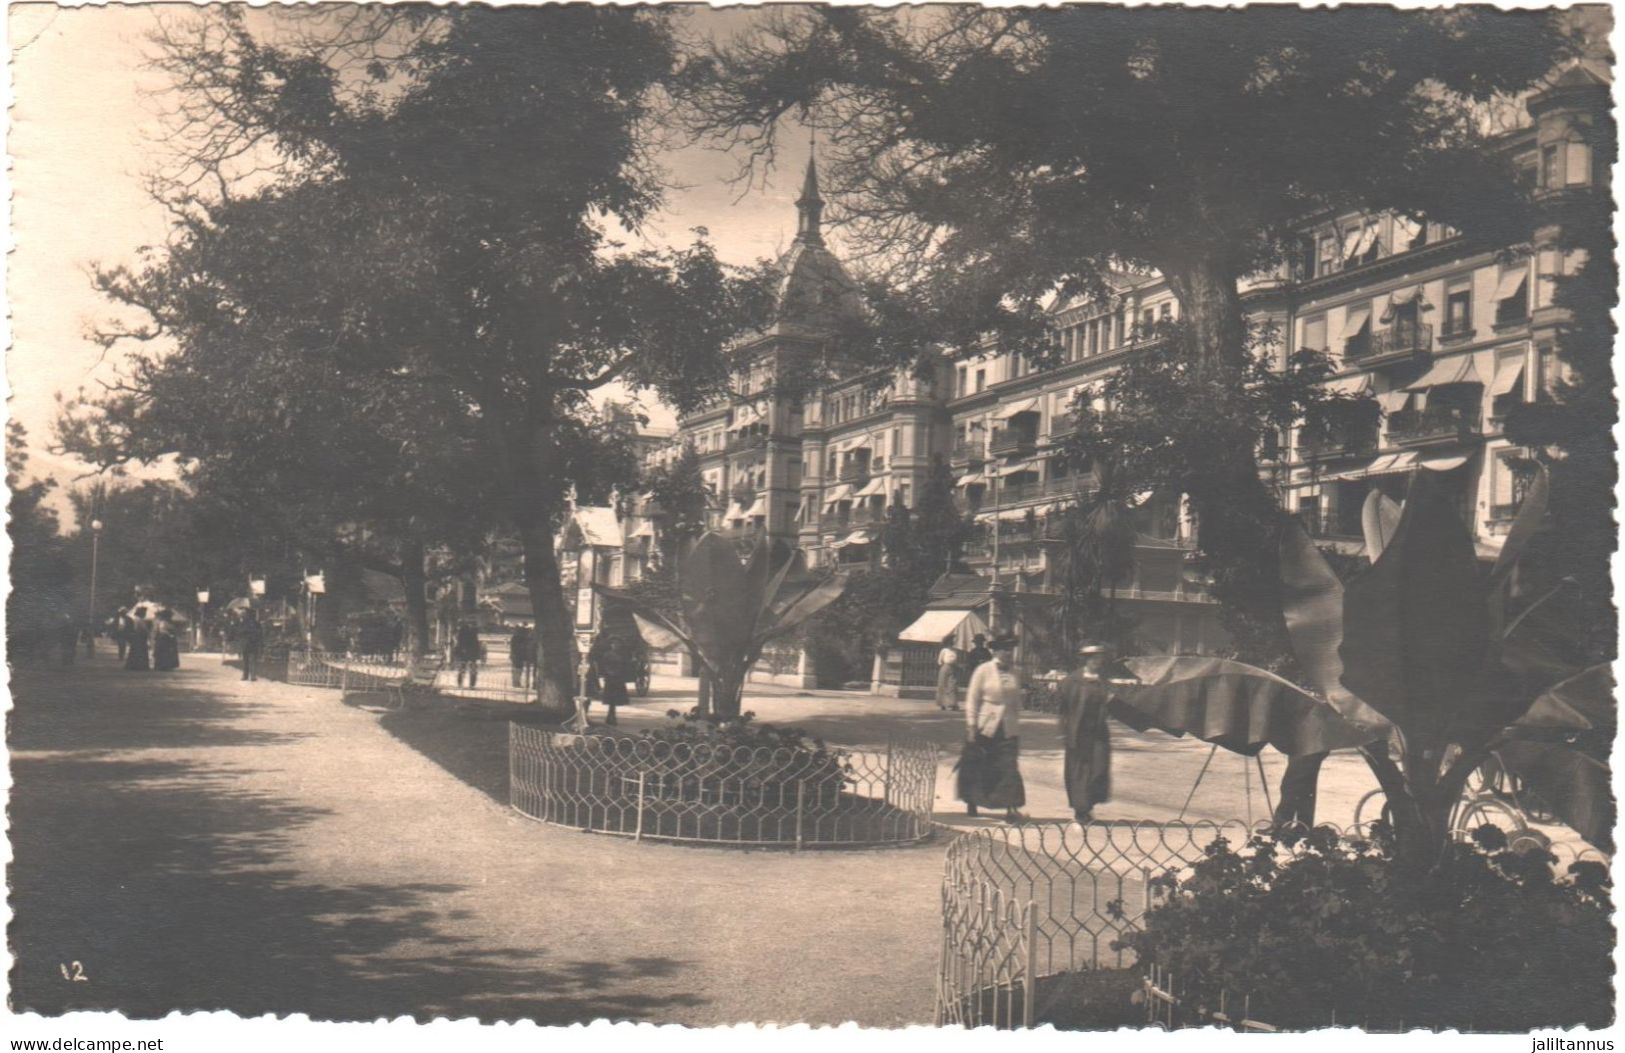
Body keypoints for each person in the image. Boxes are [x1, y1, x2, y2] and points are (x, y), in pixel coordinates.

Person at [957, 635, 1026, 822]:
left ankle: (1011, 808)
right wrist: (971, 726)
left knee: (1010, 766)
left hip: (1008, 727)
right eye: (1004, 649)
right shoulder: (983, 670)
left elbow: (1016, 701)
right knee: (979, 765)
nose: (1008, 653)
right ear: (995, 651)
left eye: (1010, 649)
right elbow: (972, 700)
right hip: (986, 726)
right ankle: (972, 801)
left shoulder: (1015, 673)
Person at [1058, 642, 1125, 824]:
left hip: (1098, 731)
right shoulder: (1072, 681)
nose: (1098, 661)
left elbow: (1112, 702)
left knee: (1098, 769)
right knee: (1080, 771)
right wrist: (1065, 731)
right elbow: (1064, 707)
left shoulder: (1103, 681)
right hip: (1078, 732)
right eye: (1094, 658)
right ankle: (1081, 811)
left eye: (1100, 658)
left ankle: (1089, 805)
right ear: (1086, 660)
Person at [596, 635, 627, 726]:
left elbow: (625, 666)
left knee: (615, 699)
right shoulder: (607, 654)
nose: (616, 646)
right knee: (611, 699)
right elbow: (603, 666)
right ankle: (611, 717)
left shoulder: (622, 655)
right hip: (610, 679)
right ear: (611, 645)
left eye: (618, 644)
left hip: (618, 678)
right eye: (614, 644)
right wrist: (608, 673)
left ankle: (611, 716)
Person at [452, 620, 483, 688]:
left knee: (471, 670)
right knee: (464, 669)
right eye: (472, 624)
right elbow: (460, 642)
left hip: (469, 653)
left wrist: (477, 655)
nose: (473, 626)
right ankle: (463, 684)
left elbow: (476, 643)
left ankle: (469, 685)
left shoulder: (472, 631)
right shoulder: (464, 631)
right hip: (466, 653)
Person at [935, 635, 961, 711]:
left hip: (953, 668)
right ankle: (943, 704)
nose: (952, 642)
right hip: (945, 668)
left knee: (952, 685)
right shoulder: (944, 650)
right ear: (947, 642)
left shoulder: (955, 650)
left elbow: (956, 660)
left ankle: (953, 704)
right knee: (943, 685)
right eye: (950, 641)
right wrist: (944, 666)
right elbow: (939, 661)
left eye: (953, 641)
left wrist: (957, 666)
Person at [238, 609, 263, 682]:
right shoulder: (256, 623)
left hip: (246, 643)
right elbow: (260, 633)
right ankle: (253, 676)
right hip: (253, 643)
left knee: (246, 660)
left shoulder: (243, 623)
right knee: (253, 660)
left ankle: (245, 675)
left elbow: (240, 632)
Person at [509, 623, 534, 689]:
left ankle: (517, 682)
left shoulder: (517, 638)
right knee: (518, 668)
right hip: (518, 655)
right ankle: (516, 682)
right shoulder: (519, 638)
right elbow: (517, 647)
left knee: (518, 668)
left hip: (519, 655)